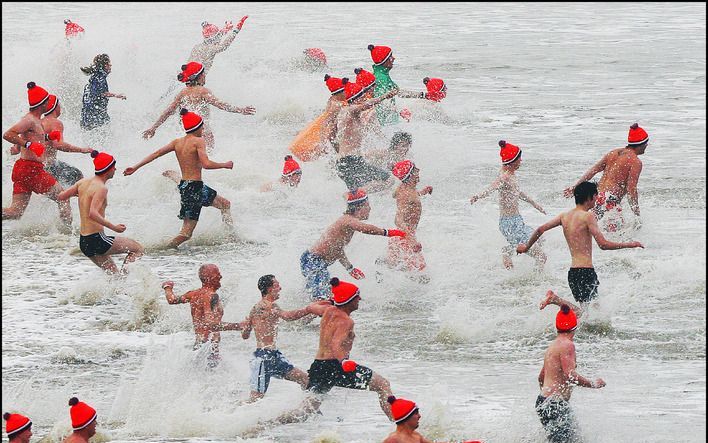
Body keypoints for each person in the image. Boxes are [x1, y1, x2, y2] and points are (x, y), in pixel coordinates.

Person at [517, 181, 644, 305]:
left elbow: (540, 229)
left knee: (588, 315)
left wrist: (527, 247)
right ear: (590, 197)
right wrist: (629, 244)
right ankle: (556, 300)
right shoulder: (587, 216)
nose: (596, 199)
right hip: (586, 272)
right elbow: (603, 245)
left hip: (573, 274)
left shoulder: (564, 216)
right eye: (595, 196)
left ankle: (556, 300)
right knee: (591, 315)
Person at [126, 108, 233, 248]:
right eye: (202, 126)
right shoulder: (198, 141)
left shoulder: (177, 142)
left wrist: (135, 167)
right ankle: (162, 249)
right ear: (197, 128)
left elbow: (155, 154)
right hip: (194, 189)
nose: (203, 128)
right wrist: (225, 165)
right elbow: (206, 164)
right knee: (186, 234)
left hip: (189, 186)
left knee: (225, 204)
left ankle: (231, 236)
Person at [305, 278, 395, 419]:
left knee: (306, 410)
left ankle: (264, 424)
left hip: (318, 367)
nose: (359, 298)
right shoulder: (346, 321)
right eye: (356, 296)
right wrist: (344, 362)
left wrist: (329, 301)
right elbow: (336, 344)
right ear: (349, 300)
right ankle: (401, 426)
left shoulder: (328, 310)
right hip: (335, 366)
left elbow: (310, 307)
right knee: (383, 385)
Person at [300, 188, 406, 300]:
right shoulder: (348, 220)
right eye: (367, 205)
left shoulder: (346, 224)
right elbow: (365, 228)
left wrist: (349, 268)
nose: (370, 208)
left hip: (314, 261)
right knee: (322, 300)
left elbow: (337, 249)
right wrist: (388, 232)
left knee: (321, 297)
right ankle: (303, 314)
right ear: (358, 207)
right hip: (313, 261)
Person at [241, 274, 328, 402]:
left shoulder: (255, 308)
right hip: (263, 358)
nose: (280, 288)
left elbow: (245, 335)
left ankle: (307, 411)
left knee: (306, 380)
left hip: (273, 356)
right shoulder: (270, 306)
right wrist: (309, 309)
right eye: (277, 285)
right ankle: (228, 416)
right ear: (270, 289)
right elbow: (288, 316)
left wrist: (247, 326)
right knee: (255, 399)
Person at [57, 150, 144, 274]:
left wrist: (80, 195)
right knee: (138, 249)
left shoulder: (82, 183)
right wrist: (114, 227)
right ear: (108, 170)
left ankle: (119, 289)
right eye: (114, 167)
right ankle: (126, 280)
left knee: (114, 276)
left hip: (84, 242)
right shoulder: (101, 188)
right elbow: (92, 213)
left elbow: (61, 196)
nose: (115, 169)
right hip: (97, 240)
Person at [3, 82, 73, 231]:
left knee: (15, 212)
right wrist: (28, 145)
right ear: (42, 104)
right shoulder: (29, 120)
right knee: (64, 197)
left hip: (23, 168)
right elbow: (8, 134)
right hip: (31, 169)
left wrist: (47, 136)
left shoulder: (36, 120)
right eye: (47, 100)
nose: (49, 103)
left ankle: (65, 232)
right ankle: (67, 236)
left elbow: (35, 137)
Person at [470, 141, 547, 269]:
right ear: (512, 161)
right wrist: (478, 196)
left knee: (540, 239)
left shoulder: (512, 175)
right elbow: (492, 187)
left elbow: (517, 192)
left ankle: (508, 249)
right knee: (541, 257)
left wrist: (534, 204)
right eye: (519, 158)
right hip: (509, 224)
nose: (521, 161)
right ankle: (533, 282)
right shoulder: (505, 177)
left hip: (517, 221)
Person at [142, 62, 255, 150]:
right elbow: (220, 104)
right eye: (203, 73)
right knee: (207, 159)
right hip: (203, 132)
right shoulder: (203, 91)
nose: (205, 76)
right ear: (199, 76)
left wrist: (153, 128)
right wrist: (240, 110)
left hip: (188, 133)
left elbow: (168, 111)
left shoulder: (182, 93)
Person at [536, 303, 605, 443]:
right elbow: (570, 375)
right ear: (574, 326)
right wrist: (593, 384)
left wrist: (547, 398)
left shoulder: (552, 346)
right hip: (555, 404)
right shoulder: (568, 345)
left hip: (543, 402)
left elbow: (541, 377)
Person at [563, 123, 649, 231]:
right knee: (616, 236)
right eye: (646, 143)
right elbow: (631, 190)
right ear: (641, 144)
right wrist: (637, 215)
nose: (647, 146)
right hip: (610, 201)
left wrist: (575, 187)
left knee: (593, 230)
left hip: (596, 197)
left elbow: (592, 171)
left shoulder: (613, 153)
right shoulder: (635, 162)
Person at [162, 264, 245, 367]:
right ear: (208, 278)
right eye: (217, 274)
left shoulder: (193, 294)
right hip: (209, 348)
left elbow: (172, 300)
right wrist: (239, 326)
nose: (220, 277)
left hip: (199, 346)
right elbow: (210, 324)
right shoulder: (211, 296)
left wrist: (167, 287)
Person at [335, 78, 398, 192]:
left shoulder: (351, 115)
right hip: (351, 162)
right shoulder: (350, 110)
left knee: (357, 194)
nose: (365, 98)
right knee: (389, 180)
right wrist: (385, 96)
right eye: (362, 96)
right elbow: (364, 106)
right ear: (356, 98)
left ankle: (353, 196)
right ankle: (351, 195)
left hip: (349, 162)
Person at [385, 160, 432, 275]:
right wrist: (412, 240)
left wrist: (421, 193)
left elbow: (395, 195)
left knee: (395, 272)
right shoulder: (408, 195)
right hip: (404, 239)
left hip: (399, 238)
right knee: (422, 276)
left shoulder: (404, 188)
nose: (419, 170)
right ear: (410, 176)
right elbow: (398, 219)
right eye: (415, 170)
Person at [41, 94, 93, 187]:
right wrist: (81, 150)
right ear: (55, 107)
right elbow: (58, 145)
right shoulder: (55, 122)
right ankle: (80, 200)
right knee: (77, 176)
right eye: (59, 105)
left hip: (38, 165)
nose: (61, 107)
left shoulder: (38, 122)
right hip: (48, 166)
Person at [367, 44, 426, 126]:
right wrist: (399, 111)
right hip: (384, 123)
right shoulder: (381, 78)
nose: (394, 58)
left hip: (386, 121)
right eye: (390, 57)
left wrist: (422, 95)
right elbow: (381, 102)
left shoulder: (382, 74)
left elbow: (397, 92)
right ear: (384, 61)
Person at [382, 397, 482, 443]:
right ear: (406, 418)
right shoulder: (393, 440)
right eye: (416, 413)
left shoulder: (416, 436)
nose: (419, 416)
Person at [80, 54, 126, 133]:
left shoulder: (93, 78)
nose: (111, 65)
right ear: (105, 66)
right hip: (95, 117)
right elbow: (103, 93)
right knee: (104, 138)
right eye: (109, 63)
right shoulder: (99, 77)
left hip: (86, 117)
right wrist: (116, 95)